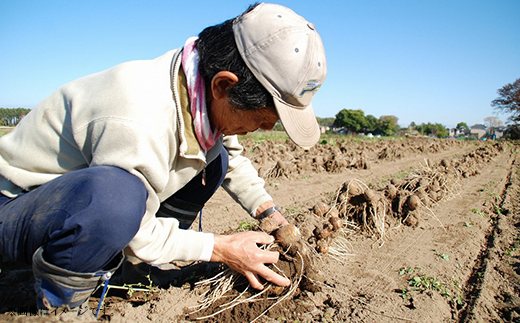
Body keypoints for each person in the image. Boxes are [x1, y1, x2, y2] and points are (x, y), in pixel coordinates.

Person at [0, 2, 327, 312]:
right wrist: (221, 248)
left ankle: (139, 268)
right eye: (264, 118)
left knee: (218, 162)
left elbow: (233, 158)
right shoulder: (137, 115)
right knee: (115, 200)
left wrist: (271, 214)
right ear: (224, 86)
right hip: (17, 207)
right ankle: (62, 303)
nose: (266, 126)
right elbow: (134, 226)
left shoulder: (196, 86)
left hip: (78, 206)